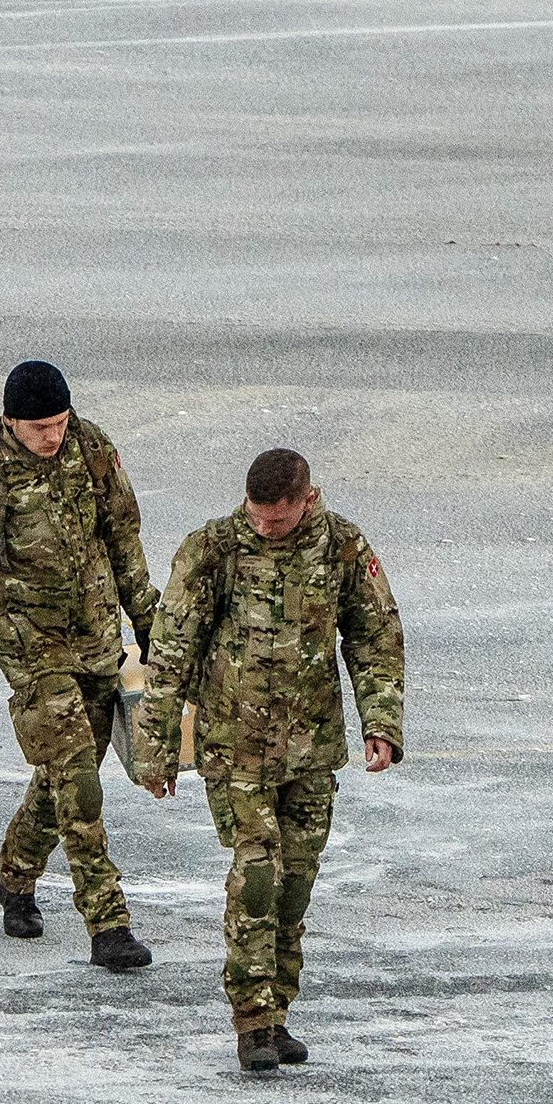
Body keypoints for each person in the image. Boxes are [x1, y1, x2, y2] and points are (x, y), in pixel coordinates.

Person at [130, 446, 406, 1072]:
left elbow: (375, 636)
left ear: (307, 500)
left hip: (312, 749)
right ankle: (251, 1022)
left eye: (276, 521)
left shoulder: (342, 546)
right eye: (256, 516)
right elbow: (171, 655)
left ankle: (278, 1012)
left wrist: (381, 722)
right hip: (235, 748)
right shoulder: (213, 550)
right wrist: (158, 750)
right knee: (258, 873)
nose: (264, 529)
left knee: (295, 885)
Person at [0, 363, 155, 969]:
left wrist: (147, 620)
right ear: (10, 421)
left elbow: (123, 533)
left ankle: (13, 877)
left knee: (65, 771)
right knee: (77, 774)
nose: (52, 437)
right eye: (39, 427)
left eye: (59, 423)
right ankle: (108, 922)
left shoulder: (92, 447)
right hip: (26, 638)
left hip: (95, 629)